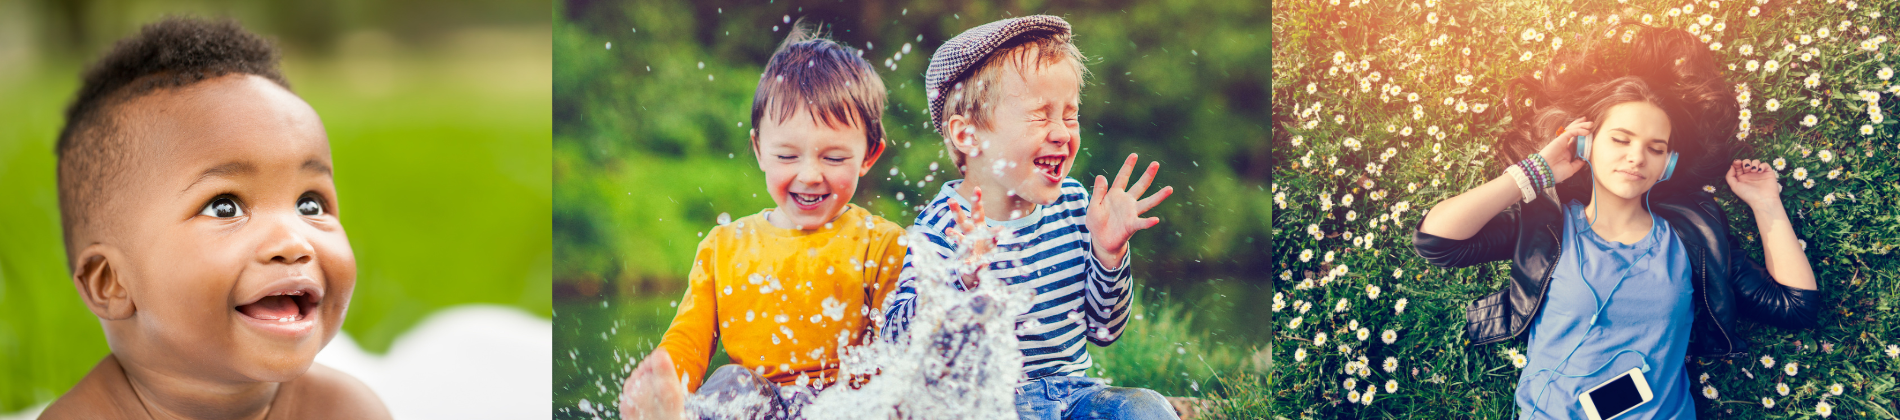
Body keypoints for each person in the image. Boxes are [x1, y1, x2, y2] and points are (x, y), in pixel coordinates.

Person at [1412, 24, 1823, 419]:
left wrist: (1765, 203)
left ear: (1668, 164)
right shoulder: (1548, 227)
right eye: (1620, 139)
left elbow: (1795, 306)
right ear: (1587, 144)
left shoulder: (1693, 239)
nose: (1636, 157)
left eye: (1655, 148)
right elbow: (1438, 242)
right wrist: (1537, 172)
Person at [39, 17, 390, 419]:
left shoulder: (342, 410)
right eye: (225, 206)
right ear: (111, 283)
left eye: (310, 204)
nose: (294, 242)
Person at [881, 15, 1180, 420]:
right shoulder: (941, 228)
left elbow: (1104, 331)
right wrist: (959, 279)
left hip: (1074, 397)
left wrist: (1109, 255)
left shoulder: (1076, 206)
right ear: (968, 135)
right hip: (982, 406)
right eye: (1041, 115)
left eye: (1070, 115)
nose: (1061, 132)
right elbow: (895, 342)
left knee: (1145, 409)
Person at [617, 21, 908, 420]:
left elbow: (907, 347)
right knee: (731, 383)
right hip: (757, 407)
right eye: (787, 156)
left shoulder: (883, 244)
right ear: (759, 150)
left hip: (846, 407)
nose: (809, 175)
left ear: (869, 156)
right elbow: (688, 342)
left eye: (834, 158)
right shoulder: (724, 247)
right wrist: (663, 381)